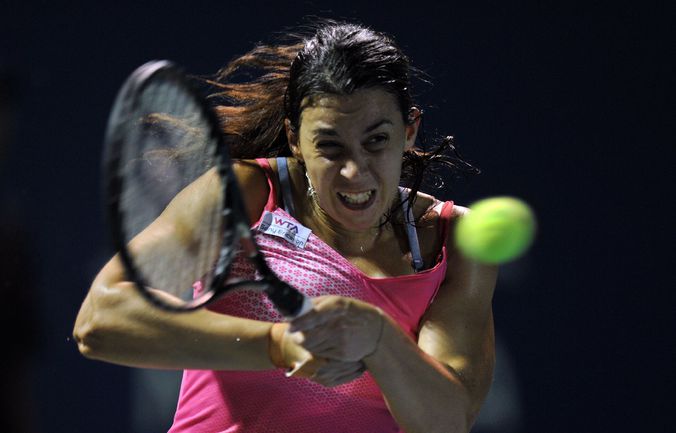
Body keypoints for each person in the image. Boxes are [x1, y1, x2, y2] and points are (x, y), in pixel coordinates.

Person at [73, 21, 498, 433]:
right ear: (295, 139)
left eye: (376, 140)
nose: (354, 171)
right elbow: (100, 320)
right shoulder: (243, 193)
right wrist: (276, 344)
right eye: (329, 146)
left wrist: (379, 338)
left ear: (409, 131)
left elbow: (447, 422)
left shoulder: (454, 239)